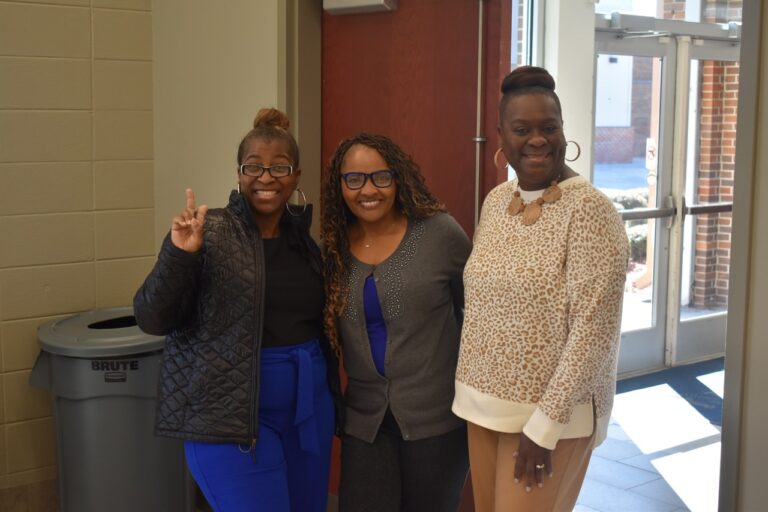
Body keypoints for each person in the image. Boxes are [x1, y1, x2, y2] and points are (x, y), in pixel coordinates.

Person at [133, 108, 340, 512]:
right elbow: (151, 317)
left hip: (307, 413)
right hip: (229, 419)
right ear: (239, 173)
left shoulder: (306, 244)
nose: (266, 178)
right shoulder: (206, 233)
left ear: (296, 175)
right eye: (254, 167)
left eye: (279, 167)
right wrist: (180, 255)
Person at [452, 66, 629, 512]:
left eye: (549, 128)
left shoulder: (590, 210)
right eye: (522, 129)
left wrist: (544, 426)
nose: (537, 139)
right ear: (501, 135)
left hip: (549, 419)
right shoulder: (497, 201)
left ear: (563, 130)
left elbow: (594, 332)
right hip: (482, 405)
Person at [321, 133, 471, 512]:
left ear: (398, 178)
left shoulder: (440, 233)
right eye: (354, 179)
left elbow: (477, 316)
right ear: (340, 185)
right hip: (365, 422)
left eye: (380, 177)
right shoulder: (334, 247)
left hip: (438, 419)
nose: (367, 190)